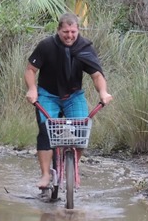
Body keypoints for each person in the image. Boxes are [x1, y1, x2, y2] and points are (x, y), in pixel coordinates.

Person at [24, 12, 113, 189]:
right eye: (66, 32)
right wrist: (32, 89)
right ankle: (45, 175)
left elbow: (96, 75)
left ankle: (71, 168)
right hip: (48, 94)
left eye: (73, 32)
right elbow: (30, 70)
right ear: (58, 30)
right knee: (45, 132)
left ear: (78, 30)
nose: (69, 36)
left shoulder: (85, 47)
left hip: (73, 95)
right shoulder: (46, 46)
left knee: (81, 132)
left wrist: (103, 92)